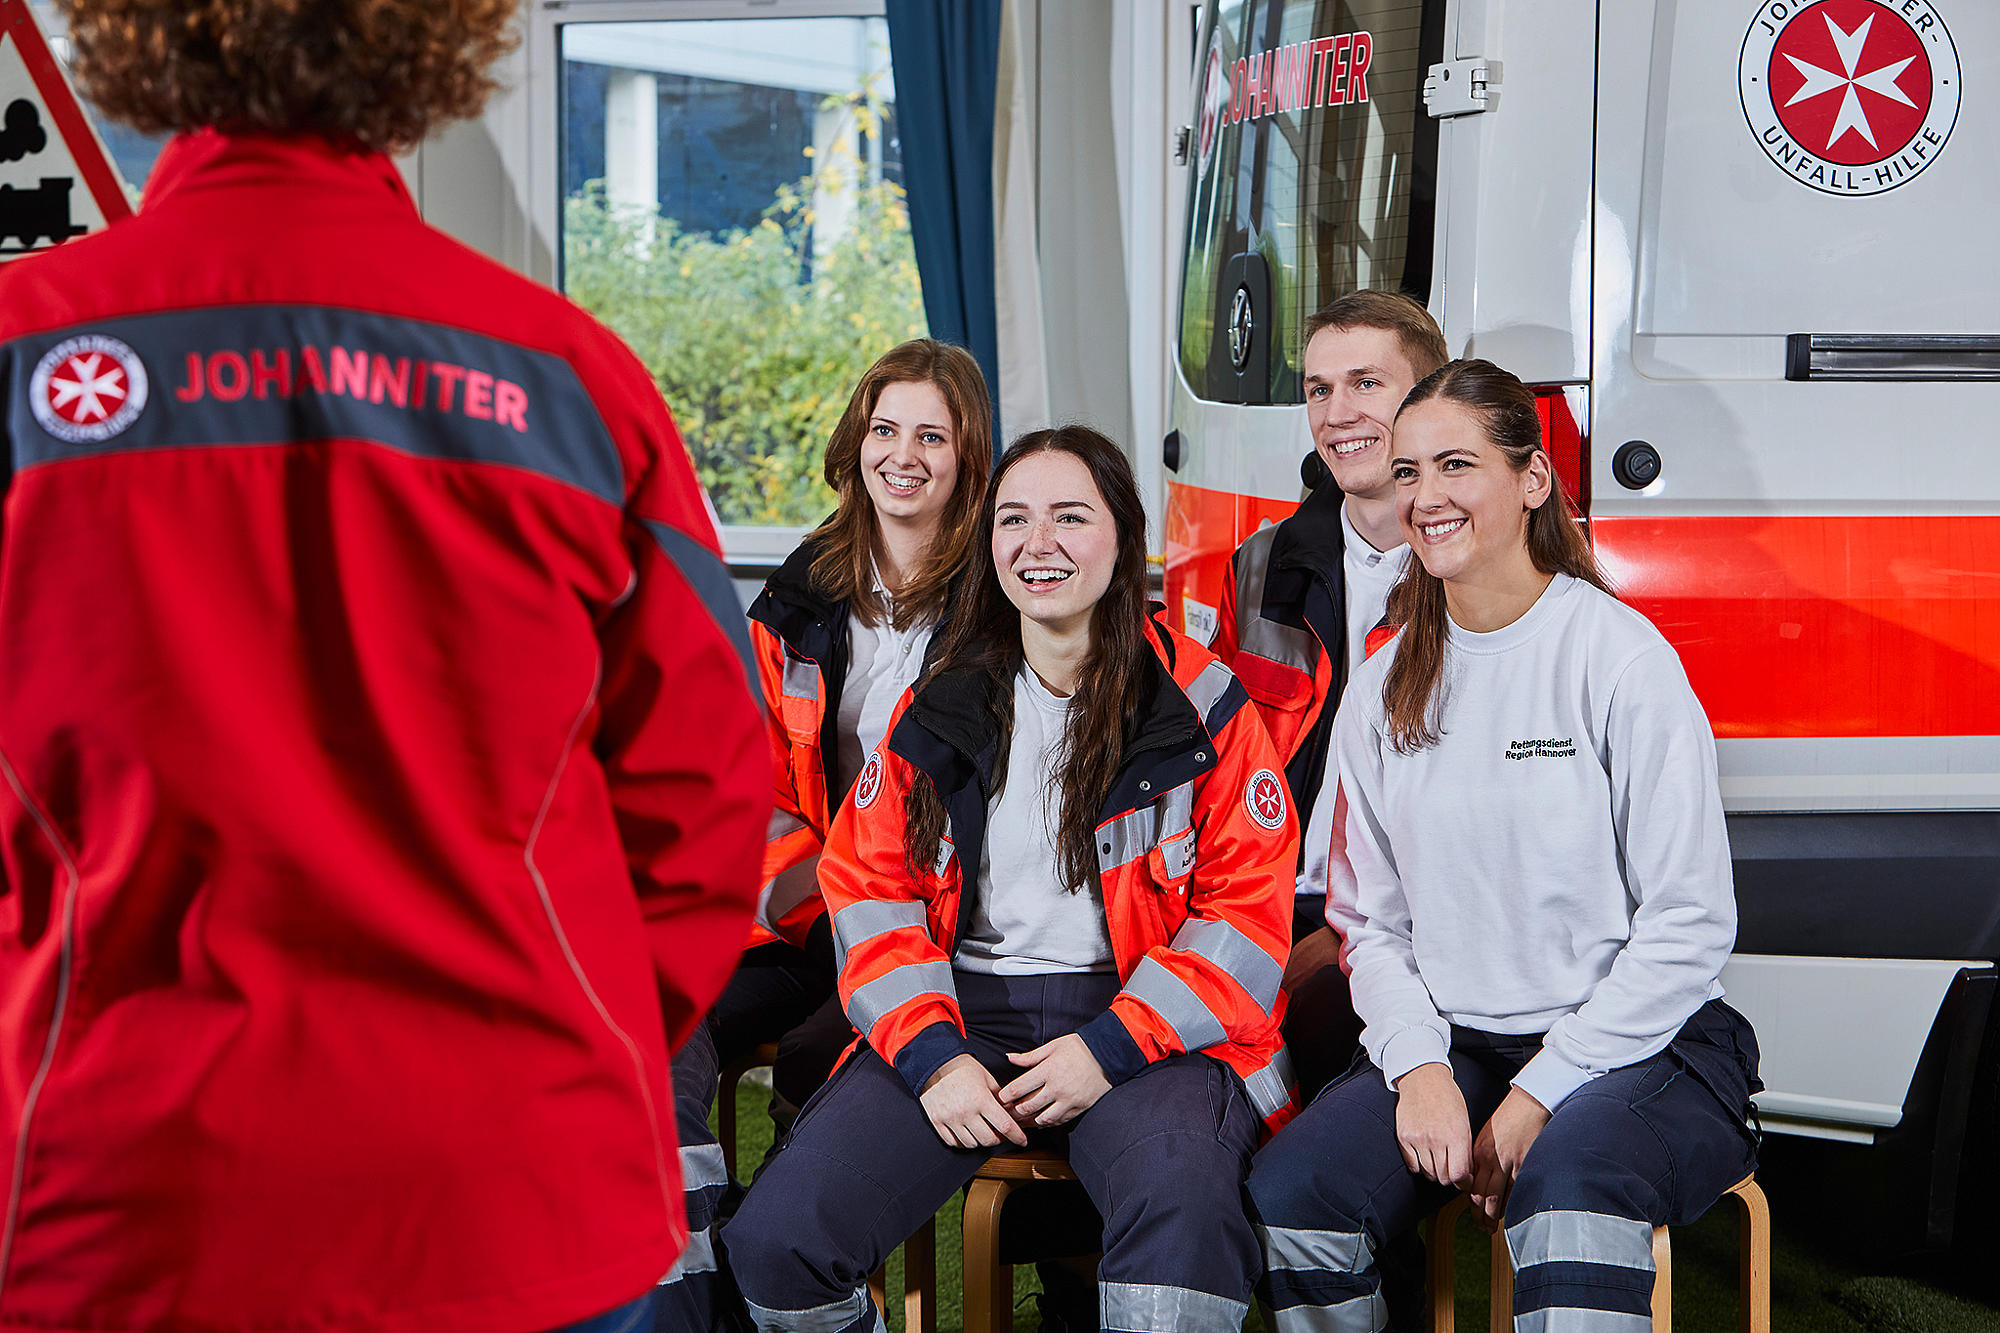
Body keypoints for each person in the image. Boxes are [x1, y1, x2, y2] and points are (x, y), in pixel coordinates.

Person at [0, 5, 767, 1332]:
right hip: (519, 1187)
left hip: (119, 1200)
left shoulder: (23, 355)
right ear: (424, 45)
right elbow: (706, 798)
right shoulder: (572, 382)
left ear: (141, 41)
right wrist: (574, 1039)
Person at [722, 426, 1298, 1333]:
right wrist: (930, 1056)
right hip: (961, 1018)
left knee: (1180, 1247)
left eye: (1071, 517)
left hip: (1154, 1034)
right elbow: (869, 892)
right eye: (1015, 520)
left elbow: (1247, 919)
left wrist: (1107, 1047)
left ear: (1123, 535)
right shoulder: (937, 702)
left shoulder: (1204, 704)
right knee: (778, 1244)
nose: (1039, 545)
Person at [1245, 360, 1761, 1332]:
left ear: (1531, 480)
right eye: (1406, 473)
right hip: (1460, 1044)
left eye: (1454, 465)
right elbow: (1367, 920)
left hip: (1642, 1049)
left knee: (1562, 1193)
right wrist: (1419, 1067)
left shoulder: (1619, 660)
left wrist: (1536, 1094)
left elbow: (1689, 925)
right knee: (1295, 1193)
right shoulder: (1384, 684)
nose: (1425, 497)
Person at [658, 338, 991, 1329]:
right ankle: (689, 1297)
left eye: (932, 436)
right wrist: (818, 908)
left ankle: (759, 1269)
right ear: (855, 443)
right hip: (808, 913)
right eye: (884, 429)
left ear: (969, 459)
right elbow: (747, 789)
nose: (903, 454)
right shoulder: (800, 595)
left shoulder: (1003, 598)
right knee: (661, 1005)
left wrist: (870, 920)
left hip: (935, 933)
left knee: (815, 1061)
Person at [1212, 290, 1448, 1099]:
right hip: (1264, 901)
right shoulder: (1260, 566)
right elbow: (1212, 771)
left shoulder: (1483, 581)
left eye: (1365, 384)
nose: (1336, 413)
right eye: (1319, 389)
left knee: (1304, 1043)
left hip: (1406, 924)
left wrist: (1339, 939)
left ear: (1431, 399)